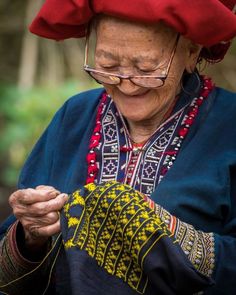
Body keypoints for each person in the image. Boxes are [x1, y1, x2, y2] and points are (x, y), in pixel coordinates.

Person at [1, 0, 236, 294]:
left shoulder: (229, 128)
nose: (126, 84)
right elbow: (6, 276)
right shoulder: (73, 117)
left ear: (191, 51)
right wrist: (29, 234)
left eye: (146, 68)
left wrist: (181, 244)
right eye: (108, 65)